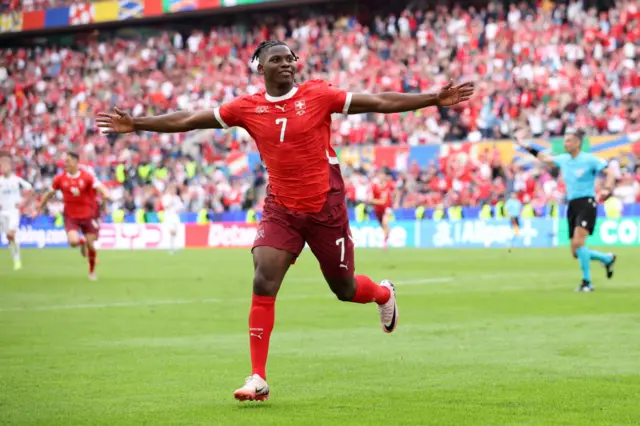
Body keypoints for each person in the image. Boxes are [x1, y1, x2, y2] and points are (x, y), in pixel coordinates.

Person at [96, 40, 474, 401]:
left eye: (291, 58)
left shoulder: (318, 95)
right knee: (263, 276)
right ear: (260, 68)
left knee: (343, 288)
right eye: (277, 60)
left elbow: (376, 100)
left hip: (326, 207)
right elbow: (191, 119)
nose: (287, 64)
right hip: (281, 208)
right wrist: (139, 124)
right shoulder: (246, 108)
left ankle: (383, 293)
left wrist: (432, 99)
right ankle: (258, 378)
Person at [516, 129, 616, 292]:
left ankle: (587, 283)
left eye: (568, 141)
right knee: (576, 252)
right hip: (572, 205)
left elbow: (609, 172)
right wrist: (526, 146)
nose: (565, 144)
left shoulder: (589, 159)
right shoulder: (564, 160)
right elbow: (545, 158)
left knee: (579, 242)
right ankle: (607, 258)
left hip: (587, 203)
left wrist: (607, 189)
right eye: (565, 141)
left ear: (577, 143)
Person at [34, 153, 111, 281]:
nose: (66, 164)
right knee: (73, 242)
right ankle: (83, 243)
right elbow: (49, 194)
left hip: (88, 216)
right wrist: (38, 208)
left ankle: (91, 272)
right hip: (71, 216)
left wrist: (105, 196)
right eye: (65, 161)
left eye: (68, 161)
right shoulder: (60, 179)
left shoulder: (87, 177)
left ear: (76, 162)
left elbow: (101, 188)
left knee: (91, 246)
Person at [0, 151, 33, 270]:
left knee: (10, 234)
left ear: (10, 166)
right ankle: (15, 257)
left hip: (13, 212)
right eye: (1, 164)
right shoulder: (0, 181)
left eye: (6, 164)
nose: (3, 167)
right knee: (9, 237)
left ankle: (17, 258)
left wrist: (24, 202)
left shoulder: (16, 180)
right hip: (2, 213)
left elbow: (30, 189)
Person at [370, 168, 395, 249]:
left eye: (382, 175)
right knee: (383, 226)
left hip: (387, 208)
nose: (381, 177)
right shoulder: (374, 186)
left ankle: (385, 243)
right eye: (379, 175)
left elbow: (396, 191)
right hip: (378, 209)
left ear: (385, 176)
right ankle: (387, 236)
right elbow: (371, 199)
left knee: (385, 223)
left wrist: (396, 201)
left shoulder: (389, 185)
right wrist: (377, 201)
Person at [162, 184, 184, 254]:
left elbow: (181, 206)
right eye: (171, 189)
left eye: (174, 189)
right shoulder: (166, 197)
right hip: (169, 217)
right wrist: (170, 201)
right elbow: (165, 205)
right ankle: (171, 248)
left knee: (175, 232)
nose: (173, 190)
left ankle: (173, 247)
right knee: (171, 231)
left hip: (175, 216)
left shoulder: (177, 197)